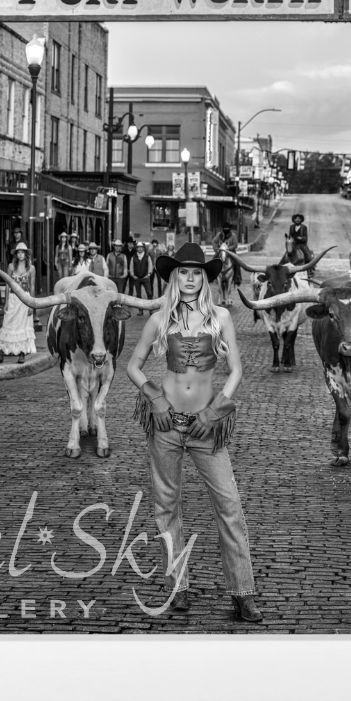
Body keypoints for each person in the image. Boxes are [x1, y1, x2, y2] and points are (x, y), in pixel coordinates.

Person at [124, 242, 263, 623]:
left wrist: (217, 409)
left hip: (207, 427)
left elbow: (236, 370)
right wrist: (155, 399)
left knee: (230, 505)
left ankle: (243, 592)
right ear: (174, 277)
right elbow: (133, 367)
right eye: (182, 272)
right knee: (166, 507)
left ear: (204, 278)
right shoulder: (160, 318)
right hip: (166, 427)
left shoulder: (220, 316)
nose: (188, 279)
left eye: (195, 273)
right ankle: (178, 585)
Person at [0, 242, 36, 364]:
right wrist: (6, 301)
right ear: (16, 255)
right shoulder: (11, 267)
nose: (21, 255)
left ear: (26, 254)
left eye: (23, 252)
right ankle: (0, 353)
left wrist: (32, 304)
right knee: (7, 324)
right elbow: (8, 284)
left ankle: (22, 353)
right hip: (13, 298)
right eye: (19, 252)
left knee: (23, 326)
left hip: (25, 299)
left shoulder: (31, 268)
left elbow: (32, 286)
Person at [129, 241, 154, 313]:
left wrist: (149, 274)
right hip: (137, 278)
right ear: (136, 249)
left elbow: (150, 266)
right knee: (138, 295)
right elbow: (131, 267)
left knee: (149, 293)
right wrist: (133, 275)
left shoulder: (147, 257)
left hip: (145, 278)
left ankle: (151, 309)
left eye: (141, 248)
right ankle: (140, 310)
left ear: (143, 248)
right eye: (138, 248)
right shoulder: (133, 257)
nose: (140, 249)